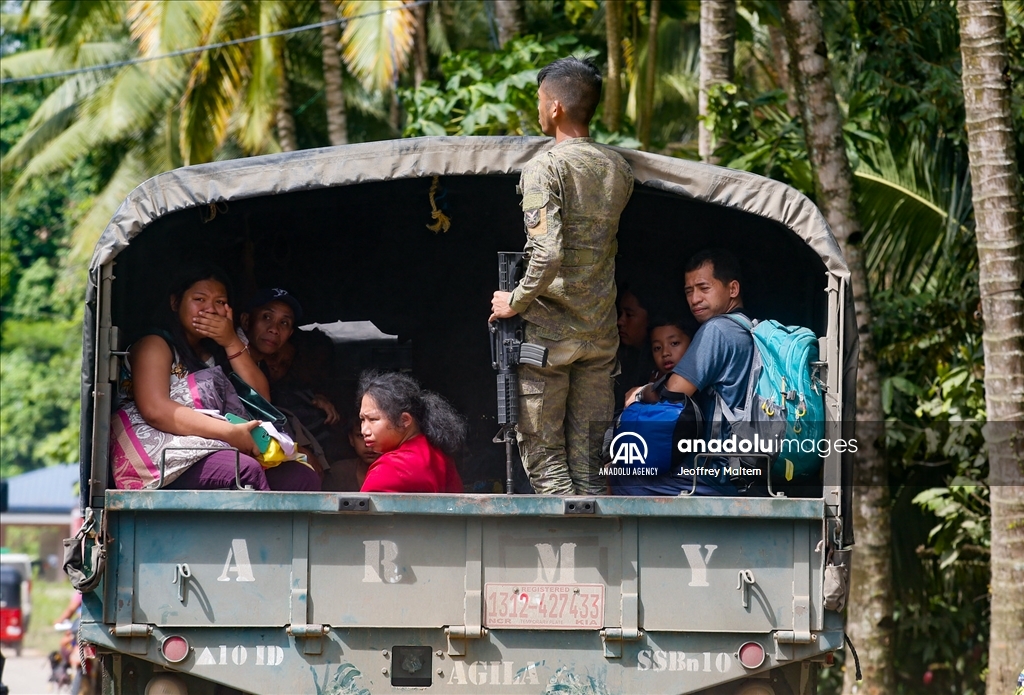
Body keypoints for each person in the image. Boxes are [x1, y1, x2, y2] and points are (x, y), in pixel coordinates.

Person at [489, 56, 634, 495]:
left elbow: (547, 252)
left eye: (539, 99)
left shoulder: (544, 168)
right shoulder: (618, 169)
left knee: (545, 458)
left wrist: (514, 300)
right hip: (599, 335)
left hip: (547, 340)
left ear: (554, 108)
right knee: (591, 464)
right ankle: (600, 559)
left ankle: (572, 557)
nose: (538, 108)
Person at [110, 264, 318, 491]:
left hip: (210, 446)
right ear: (175, 303)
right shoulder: (155, 344)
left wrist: (230, 341)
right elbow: (155, 410)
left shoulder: (216, 353)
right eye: (200, 299)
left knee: (301, 476)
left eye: (219, 302)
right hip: (160, 453)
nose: (210, 309)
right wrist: (229, 432)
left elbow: (261, 399)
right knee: (244, 470)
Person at [629, 249, 754, 495]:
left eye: (703, 288)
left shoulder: (717, 330)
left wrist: (640, 393)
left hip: (716, 475)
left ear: (733, 289)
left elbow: (673, 395)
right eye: (689, 291)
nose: (695, 298)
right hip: (744, 470)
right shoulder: (747, 328)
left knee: (621, 477)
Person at [357, 371, 465, 493]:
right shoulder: (437, 452)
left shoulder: (393, 467)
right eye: (362, 419)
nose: (364, 430)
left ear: (404, 420)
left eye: (373, 419)